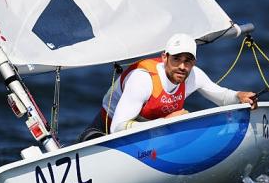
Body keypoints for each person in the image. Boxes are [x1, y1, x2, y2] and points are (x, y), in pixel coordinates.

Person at [80, 33, 257, 139]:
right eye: (176, 59)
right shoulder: (142, 80)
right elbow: (117, 127)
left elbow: (224, 97)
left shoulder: (193, 76)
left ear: (194, 62)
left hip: (151, 137)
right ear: (164, 57)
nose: (182, 66)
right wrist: (165, 122)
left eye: (188, 61)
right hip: (104, 133)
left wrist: (239, 96)